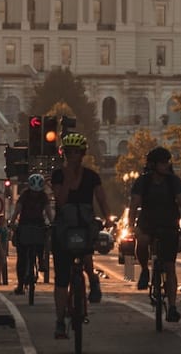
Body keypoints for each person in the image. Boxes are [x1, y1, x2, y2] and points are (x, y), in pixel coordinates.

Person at [50, 132, 108, 340]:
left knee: (86, 255)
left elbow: (101, 199)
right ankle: (59, 321)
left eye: (76, 153)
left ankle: (92, 279)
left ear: (82, 154)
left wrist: (108, 218)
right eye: (68, 153)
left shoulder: (92, 177)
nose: (72, 156)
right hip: (64, 228)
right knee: (61, 279)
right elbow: (61, 201)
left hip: (84, 225)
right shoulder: (58, 175)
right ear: (64, 154)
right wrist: (67, 178)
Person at [129, 146, 181, 322]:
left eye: (167, 162)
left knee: (170, 267)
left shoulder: (174, 182)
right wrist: (131, 225)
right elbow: (134, 204)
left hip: (168, 224)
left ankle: (172, 307)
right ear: (153, 165)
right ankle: (143, 270)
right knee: (141, 240)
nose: (166, 165)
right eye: (162, 162)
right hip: (148, 222)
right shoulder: (143, 182)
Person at [11, 173, 52, 295]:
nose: (35, 194)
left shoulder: (44, 197)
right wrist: (12, 222)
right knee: (21, 257)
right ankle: (20, 284)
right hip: (24, 224)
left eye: (37, 192)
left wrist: (52, 223)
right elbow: (17, 209)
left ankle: (41, 261)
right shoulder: (24, 195)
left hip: (38, 224)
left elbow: (48, 211)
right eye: (33, 192)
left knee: (43, 239)